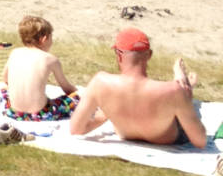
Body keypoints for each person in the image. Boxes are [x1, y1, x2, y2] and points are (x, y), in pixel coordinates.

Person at [69, 28, 207, 147]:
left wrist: (105, 115)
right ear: (149, 55)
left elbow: (76, 128)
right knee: (184, 101)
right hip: (166, 139)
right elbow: (200, 141)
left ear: (119, 55)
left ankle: (184, 84)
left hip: (125, 133)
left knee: (180, 96)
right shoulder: (172, 91)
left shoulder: (100, 83)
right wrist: (183, 94)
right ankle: (183, 83)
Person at [0, 15, 79, 121]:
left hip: (13, 112)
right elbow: (67, 88)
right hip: (40, 114)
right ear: (44, 39)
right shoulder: (51, 59)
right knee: (76, 100)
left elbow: (4, 79)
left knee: (2, 87)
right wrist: (77, 93)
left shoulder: (15, 53)